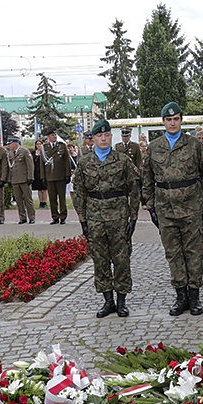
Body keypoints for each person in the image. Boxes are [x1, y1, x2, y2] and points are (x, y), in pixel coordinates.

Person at [142, 102, 203, 316]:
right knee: (173, 253)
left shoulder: (194, 145)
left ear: (181, 120)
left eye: (176, 119)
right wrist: (150, 204)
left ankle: (194, 296)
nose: (172, 123)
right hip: (165, 208)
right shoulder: (154, 147)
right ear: (163, 122)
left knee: (194, 252)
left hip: (191, 207)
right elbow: (147, 178)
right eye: (168, 120)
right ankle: (180, 295)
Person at [73, 119, 141, 318]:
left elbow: (134, 189)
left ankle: (121, 301)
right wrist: (83, 220)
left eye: (106, 135)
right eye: (99, 136)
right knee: (100, 260)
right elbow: (79, 192)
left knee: (121, 260)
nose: (103, 138)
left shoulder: (122, 160)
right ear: (93, 139)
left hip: (119, 218)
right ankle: (107, 301)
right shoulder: (85, 162)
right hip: (95, 218)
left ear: (111, 136)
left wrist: (133, 218)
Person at [37, 128, 71, 224]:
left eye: (55, 135)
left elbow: (66, 161)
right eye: (52, 135)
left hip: (60, 176)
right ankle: (55, 216)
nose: (54, 136)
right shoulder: (45, 148)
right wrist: (43, 177)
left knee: (62, 198)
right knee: (52, 198)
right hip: (50, 177)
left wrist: (67, 174)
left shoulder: (62, 146)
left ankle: (63, 216)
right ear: (48, 137)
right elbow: (42, 164)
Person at [4, 137, 35, 224]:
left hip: (24, 179)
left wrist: (30, 177)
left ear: (15, 143)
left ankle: (31, 216)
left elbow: (30, 165)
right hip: (15, 180)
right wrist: (9, 179)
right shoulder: (10, 153)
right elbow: (10, 167)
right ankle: (22, 217)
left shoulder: (24, 151)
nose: (9, 146)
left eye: (10, 144)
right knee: (18, 200)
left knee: (28, 199)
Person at [31, 138, 49, 210]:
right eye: (37, 144)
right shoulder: (33, 153)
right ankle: (40, 202)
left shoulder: (44, 152)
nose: (38, 145)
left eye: (40, 144)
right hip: (36, 172)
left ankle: (44, 202)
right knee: (39, 188)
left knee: (44, 188)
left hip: (43, 171)